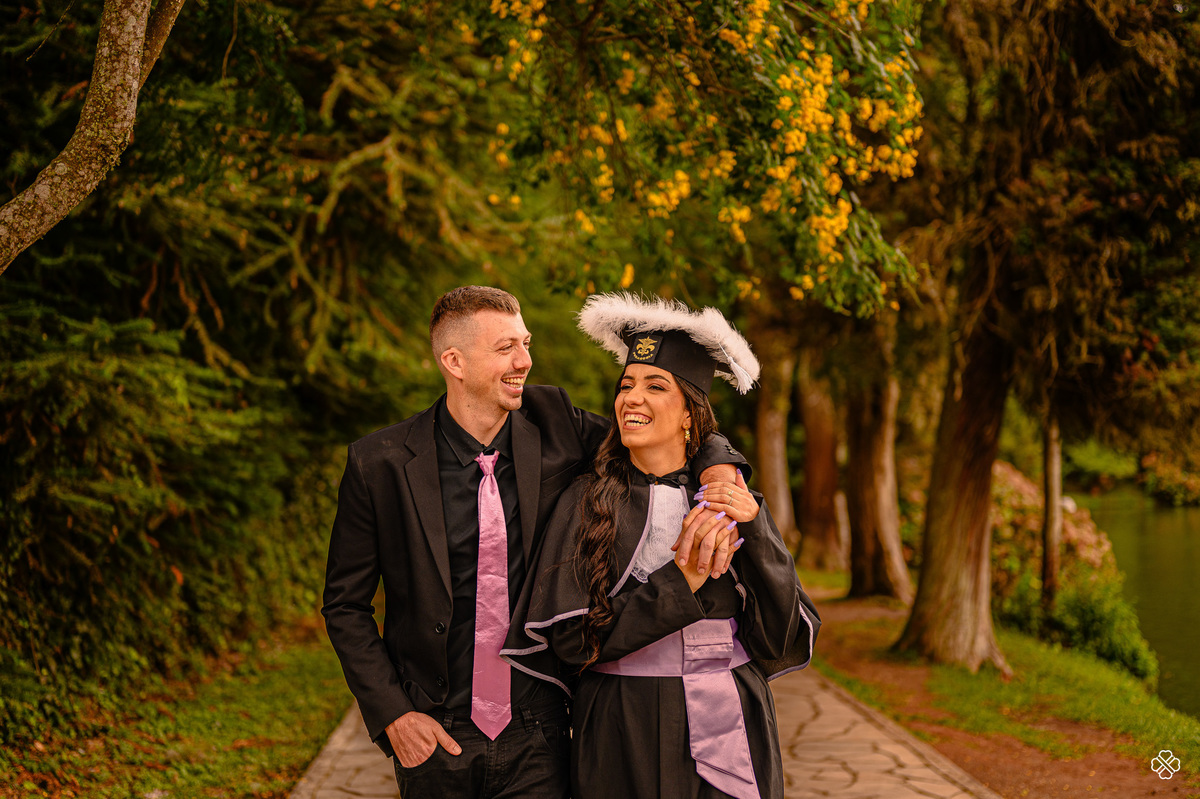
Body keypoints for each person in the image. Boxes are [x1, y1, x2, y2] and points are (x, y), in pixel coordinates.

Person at [321, 286, 751, 799]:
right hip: (434, 735)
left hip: (541, 732)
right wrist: (394, 716)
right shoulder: (381, 464)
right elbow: (345, 606)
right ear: (454, 361)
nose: (525, 360)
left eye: (525, 343)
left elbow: (661, 429)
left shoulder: (555, 422)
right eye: (506, 348)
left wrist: (720, 463)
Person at [502, 293, 821, 799]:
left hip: (733, 712)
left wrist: (757, 531)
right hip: (622, 721)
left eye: (655, 386)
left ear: (690, 414)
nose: (632, 398)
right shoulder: (587, 499)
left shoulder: (730, 499)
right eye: (626, 385)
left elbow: (779, 637)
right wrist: (680, 583)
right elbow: (572, 643)